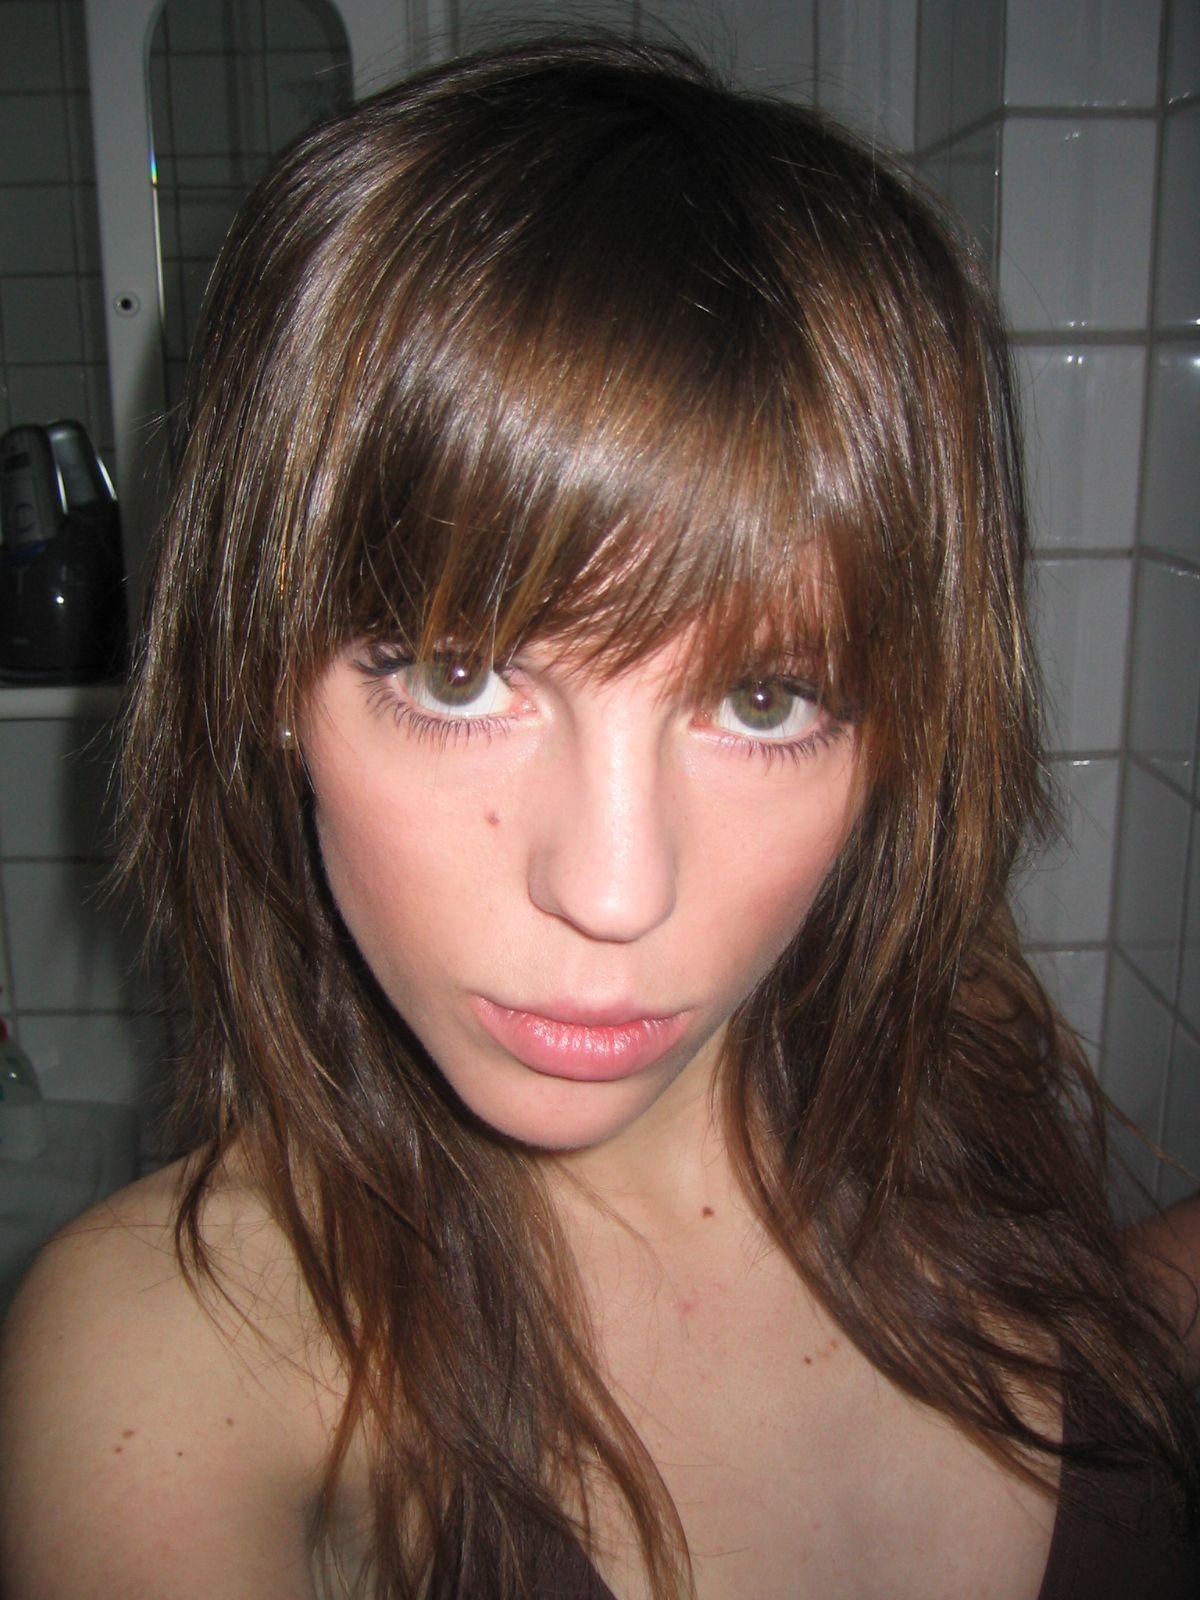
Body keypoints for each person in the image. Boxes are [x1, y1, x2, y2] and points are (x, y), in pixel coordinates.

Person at [0, 35, 1197, 1600]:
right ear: (264, 673)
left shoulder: (955, 1065)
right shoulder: (174, 1360)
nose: (617, 890)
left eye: (764, 701)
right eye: (458, 674)